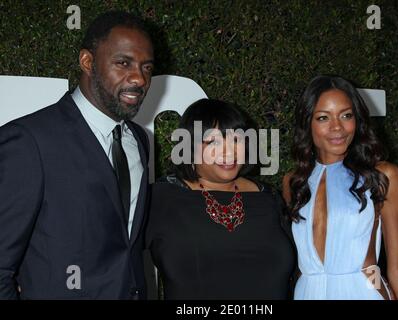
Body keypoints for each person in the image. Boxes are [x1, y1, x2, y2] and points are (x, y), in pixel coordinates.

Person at [0, 11, 155, 299]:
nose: (139, 78)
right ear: (87, 62)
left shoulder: (139, 141)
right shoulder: (29, 141)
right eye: (123, 63)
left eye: (147, 67)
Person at [282, 75, 398, 300]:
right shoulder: (293, 182)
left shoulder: (382, 175)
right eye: (323, 117)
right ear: (308, 122)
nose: (337, 127)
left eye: (346, 115)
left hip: (363, 290)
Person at [146, 98, 296, 299]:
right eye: (213, 141)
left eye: (237, 139)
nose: (229, 151)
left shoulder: (269, 198)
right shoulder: (161, 198)